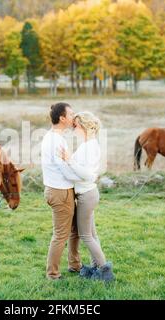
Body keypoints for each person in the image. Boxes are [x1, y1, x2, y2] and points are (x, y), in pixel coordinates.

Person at [58, 111, 115, 282]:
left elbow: (87, 175)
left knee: (85, 235)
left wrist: (68, 160)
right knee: (92, 234)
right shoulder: (88, 145)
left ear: (84, 126)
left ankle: (105, 272)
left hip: (86, 195)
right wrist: (67, 164)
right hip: (87, 193)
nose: (73, 128)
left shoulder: (89, 147)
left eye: (75, 125)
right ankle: (96, 268)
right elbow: (79, 172)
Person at [41, 102, 83, 280]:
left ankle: (75, 265)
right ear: (62, 118)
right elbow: (65, 169)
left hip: (58, 189)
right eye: (71, 114)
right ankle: (53, 274)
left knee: (74, 229)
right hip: (60, 192)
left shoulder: (51, 137)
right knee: (60, 235)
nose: (74, 117)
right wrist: (83, 177)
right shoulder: (56, 140)